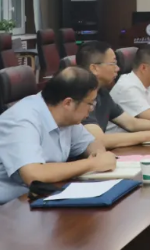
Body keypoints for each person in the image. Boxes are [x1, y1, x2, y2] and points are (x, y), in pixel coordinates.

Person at [0, 67, 116, 204]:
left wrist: (99, 155)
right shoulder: (22, 120)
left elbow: (90, 143)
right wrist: (93, 164)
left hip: (43, 196)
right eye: (90, 103)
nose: (91, 109)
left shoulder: (65, 116)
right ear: (68, 103)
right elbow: (34, 174)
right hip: (10, 206)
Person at [76, 41, 150, 149]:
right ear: (94, 68)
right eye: (113, 64)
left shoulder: (102, 92)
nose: (117, 68)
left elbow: (131, 123)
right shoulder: (79, 96)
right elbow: (99, 140)